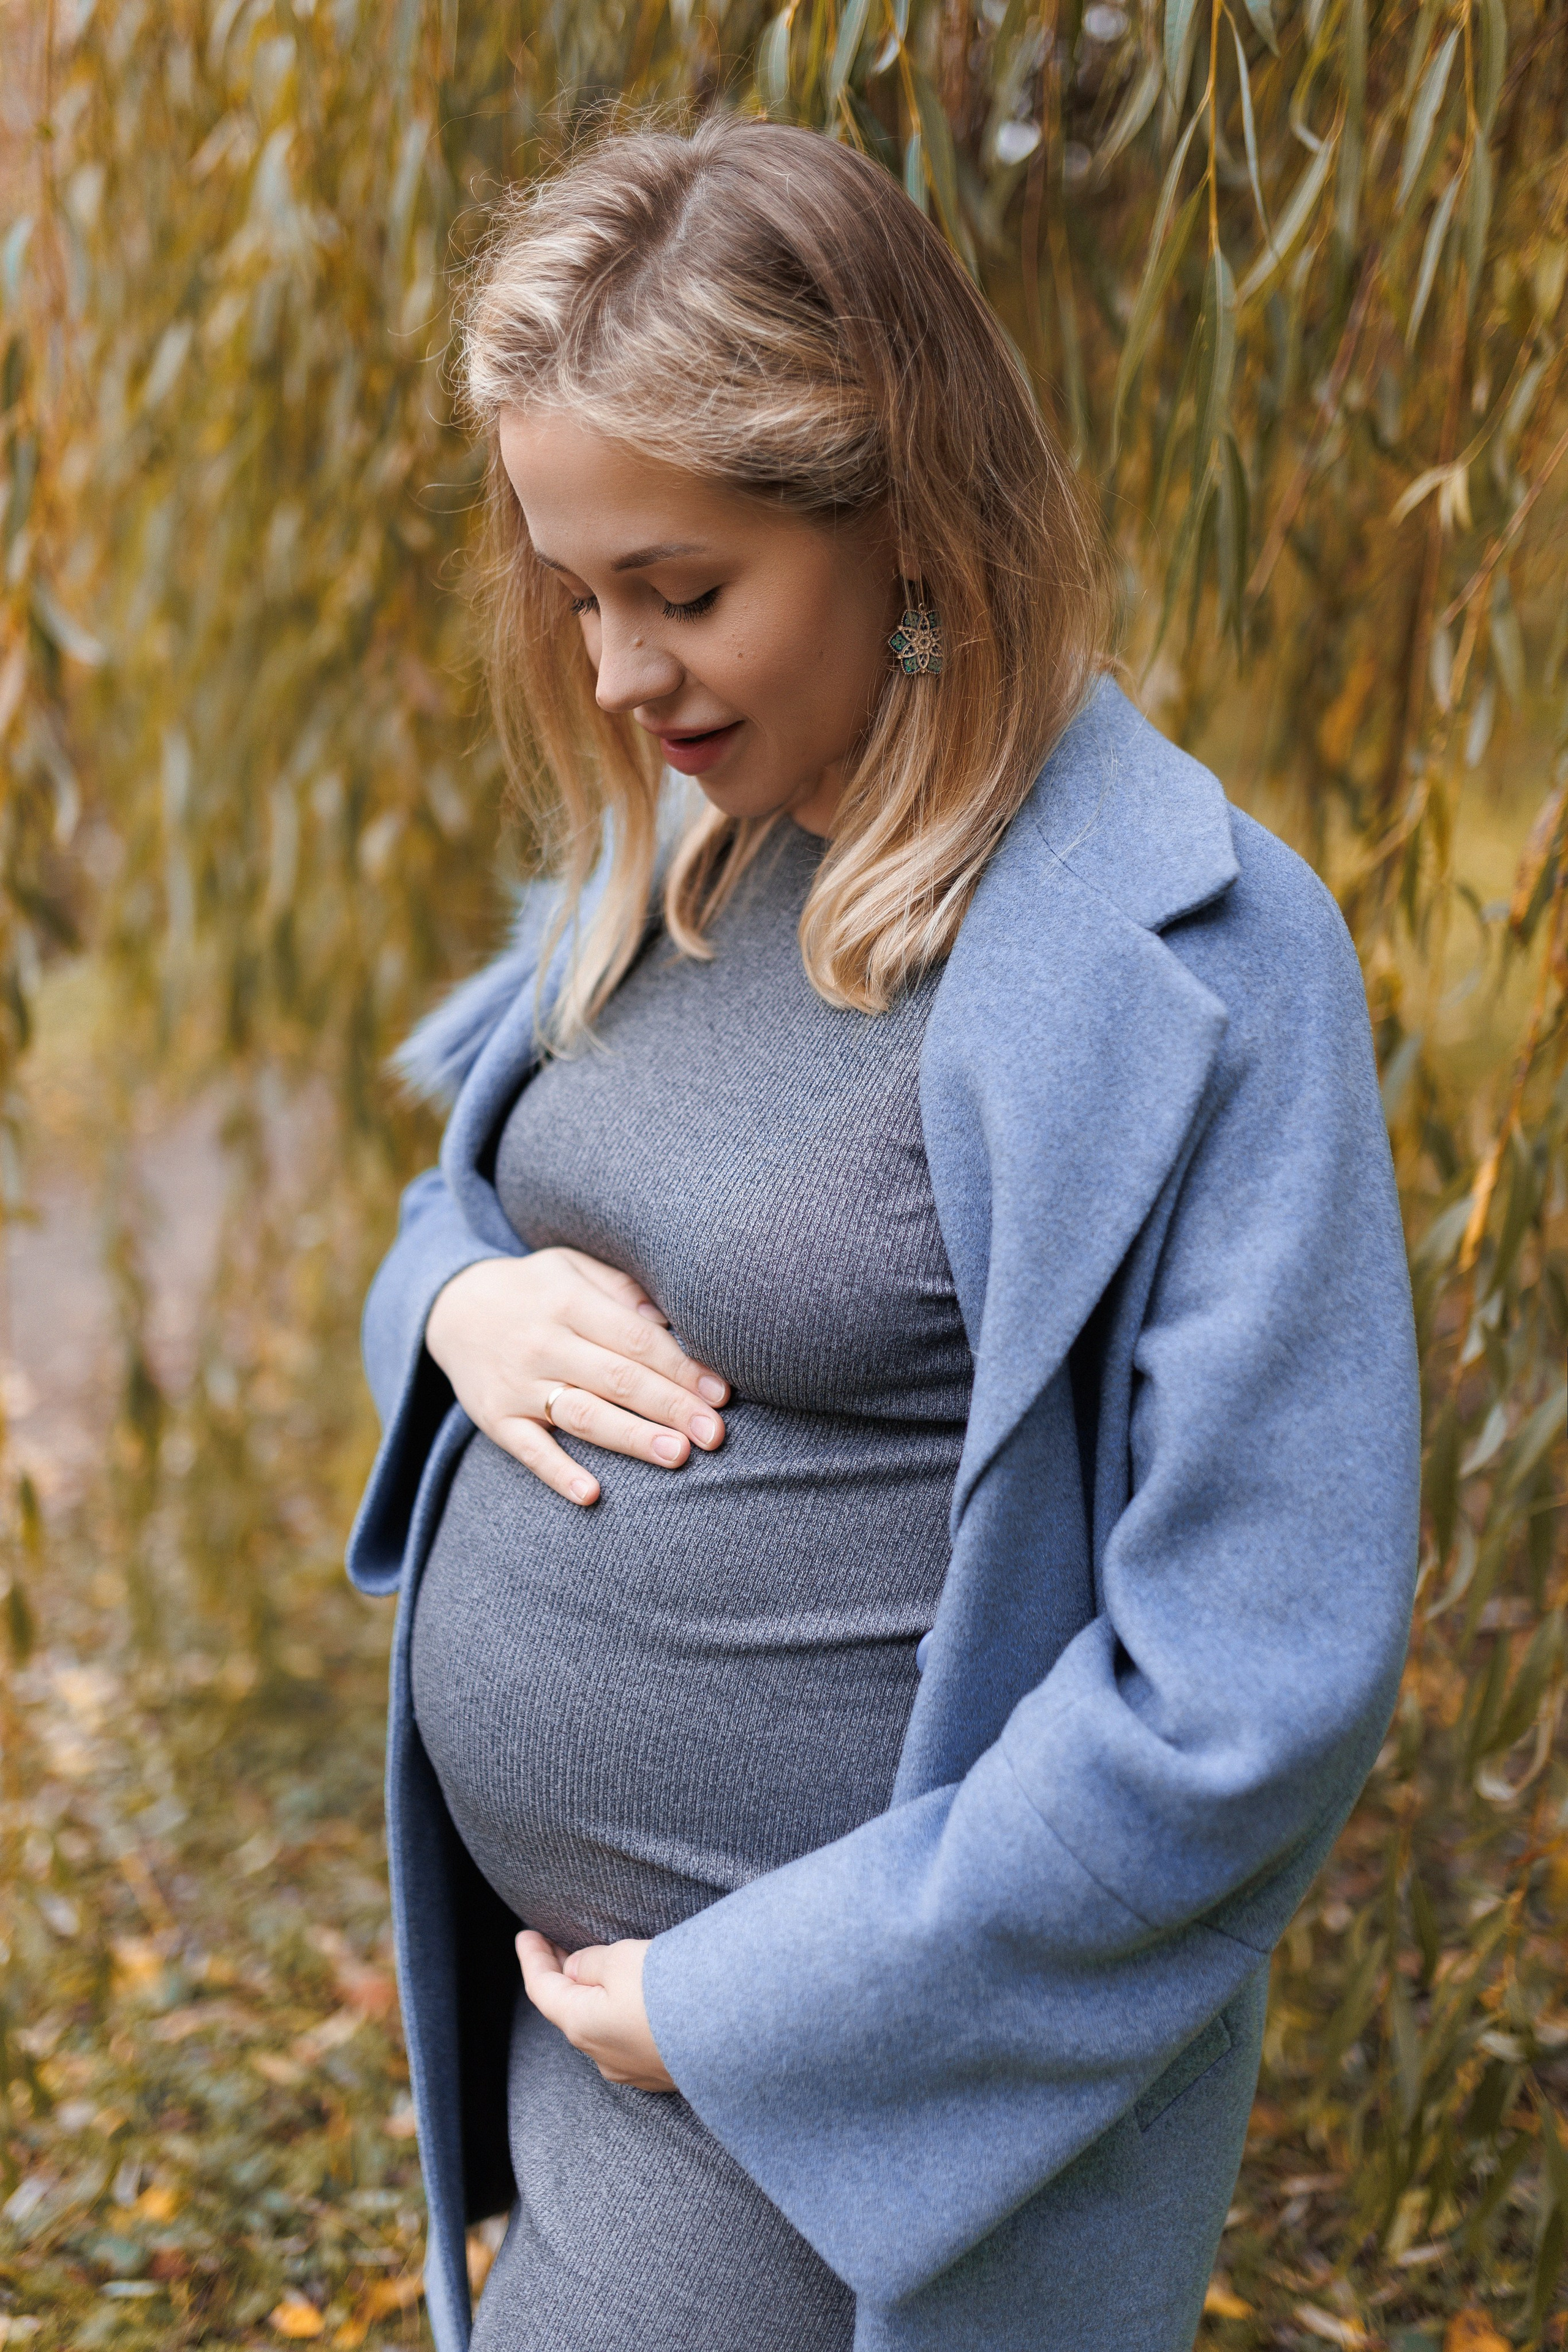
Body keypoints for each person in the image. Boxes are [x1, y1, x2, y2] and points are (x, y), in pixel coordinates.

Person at [347, 116, 1420, 2352]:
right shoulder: (689, 849)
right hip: (581, 2055)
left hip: (852, 2127)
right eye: (579, 595)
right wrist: (456, 1307)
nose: (625, 674)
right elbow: (455, 1196)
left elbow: (1248, 1692)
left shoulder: (1198, 962)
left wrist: (757, 2007)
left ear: (908, 517)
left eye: (686, 588)